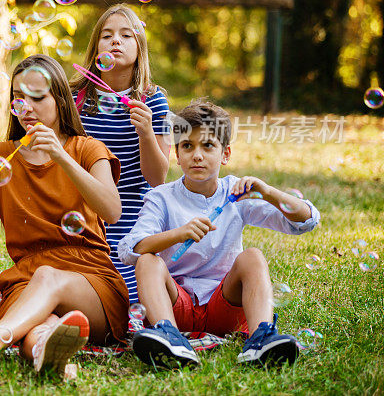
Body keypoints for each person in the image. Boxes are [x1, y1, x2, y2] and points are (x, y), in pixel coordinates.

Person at [0, 54, 129, 376]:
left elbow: (112, 210)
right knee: (39, 329)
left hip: (91, 282)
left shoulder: (87, 150)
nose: (26, 107)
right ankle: (51, 355)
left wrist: (61, 156)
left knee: (47, 276)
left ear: (60, 99)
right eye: (18, 98)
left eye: (37, 97)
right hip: (25, 282)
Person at [117, 99, 320, 369]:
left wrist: (268, 192)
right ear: (177, 154)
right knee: (147, 260)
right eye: (187, 146)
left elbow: (305, 221)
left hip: (225, 306)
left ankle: (261, 338)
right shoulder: (161, 197)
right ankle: (169, 335)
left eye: (208, 145)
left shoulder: (236, 194)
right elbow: (130, 248)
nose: (197, 155)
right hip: (177, 307)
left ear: (225, 154)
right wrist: (178, 234)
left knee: (252, 256)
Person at [69, 4, 171, 304]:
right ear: (95, 47)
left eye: (127, 35)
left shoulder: (153, 100)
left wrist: (146, 133)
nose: (116, 41)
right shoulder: (76, 99)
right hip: (83, 215)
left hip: (134, 218)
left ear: (139, 48)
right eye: (107, 35)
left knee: (125, 293)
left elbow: (157, 178)